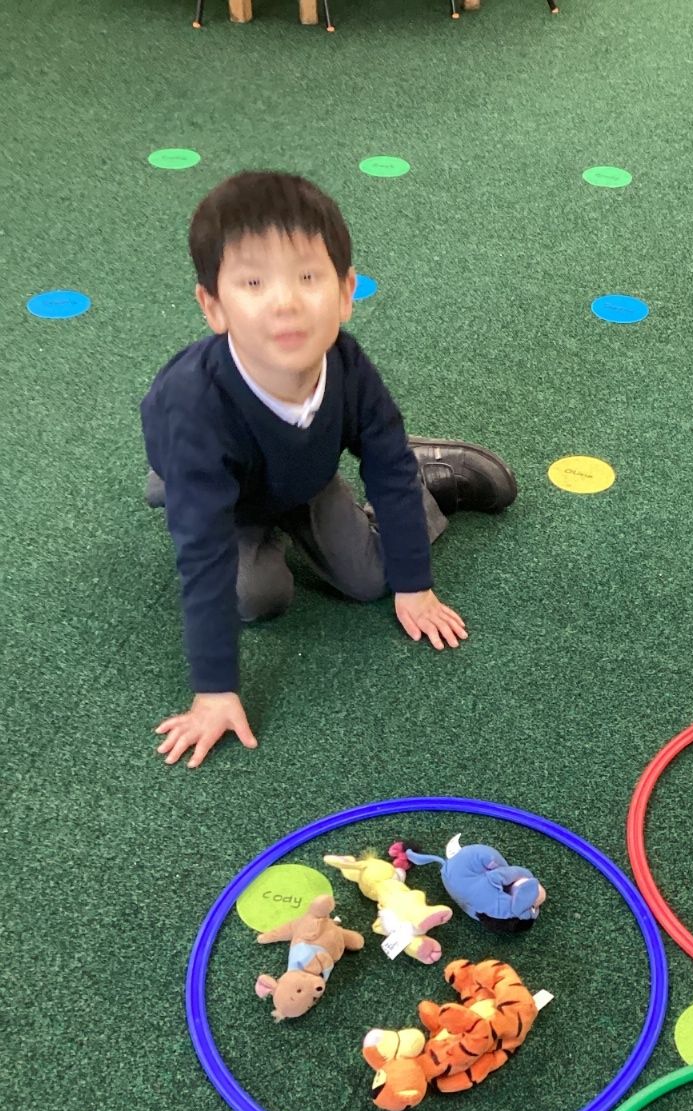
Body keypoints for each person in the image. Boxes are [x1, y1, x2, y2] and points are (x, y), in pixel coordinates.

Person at [141, 169, 517, 769]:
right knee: (257, 596)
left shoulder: (345, 363)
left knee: (374, 580)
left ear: (345, 292)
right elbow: (203, 555)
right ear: (213, 306)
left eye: (308, 277)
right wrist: (214, 692)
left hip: (306, 476)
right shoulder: (196, 411)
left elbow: (386, 468)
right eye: (254, 282)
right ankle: (178, 488)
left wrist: (414, 587)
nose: (285, 301)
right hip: (230, 495)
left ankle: (433, 475)